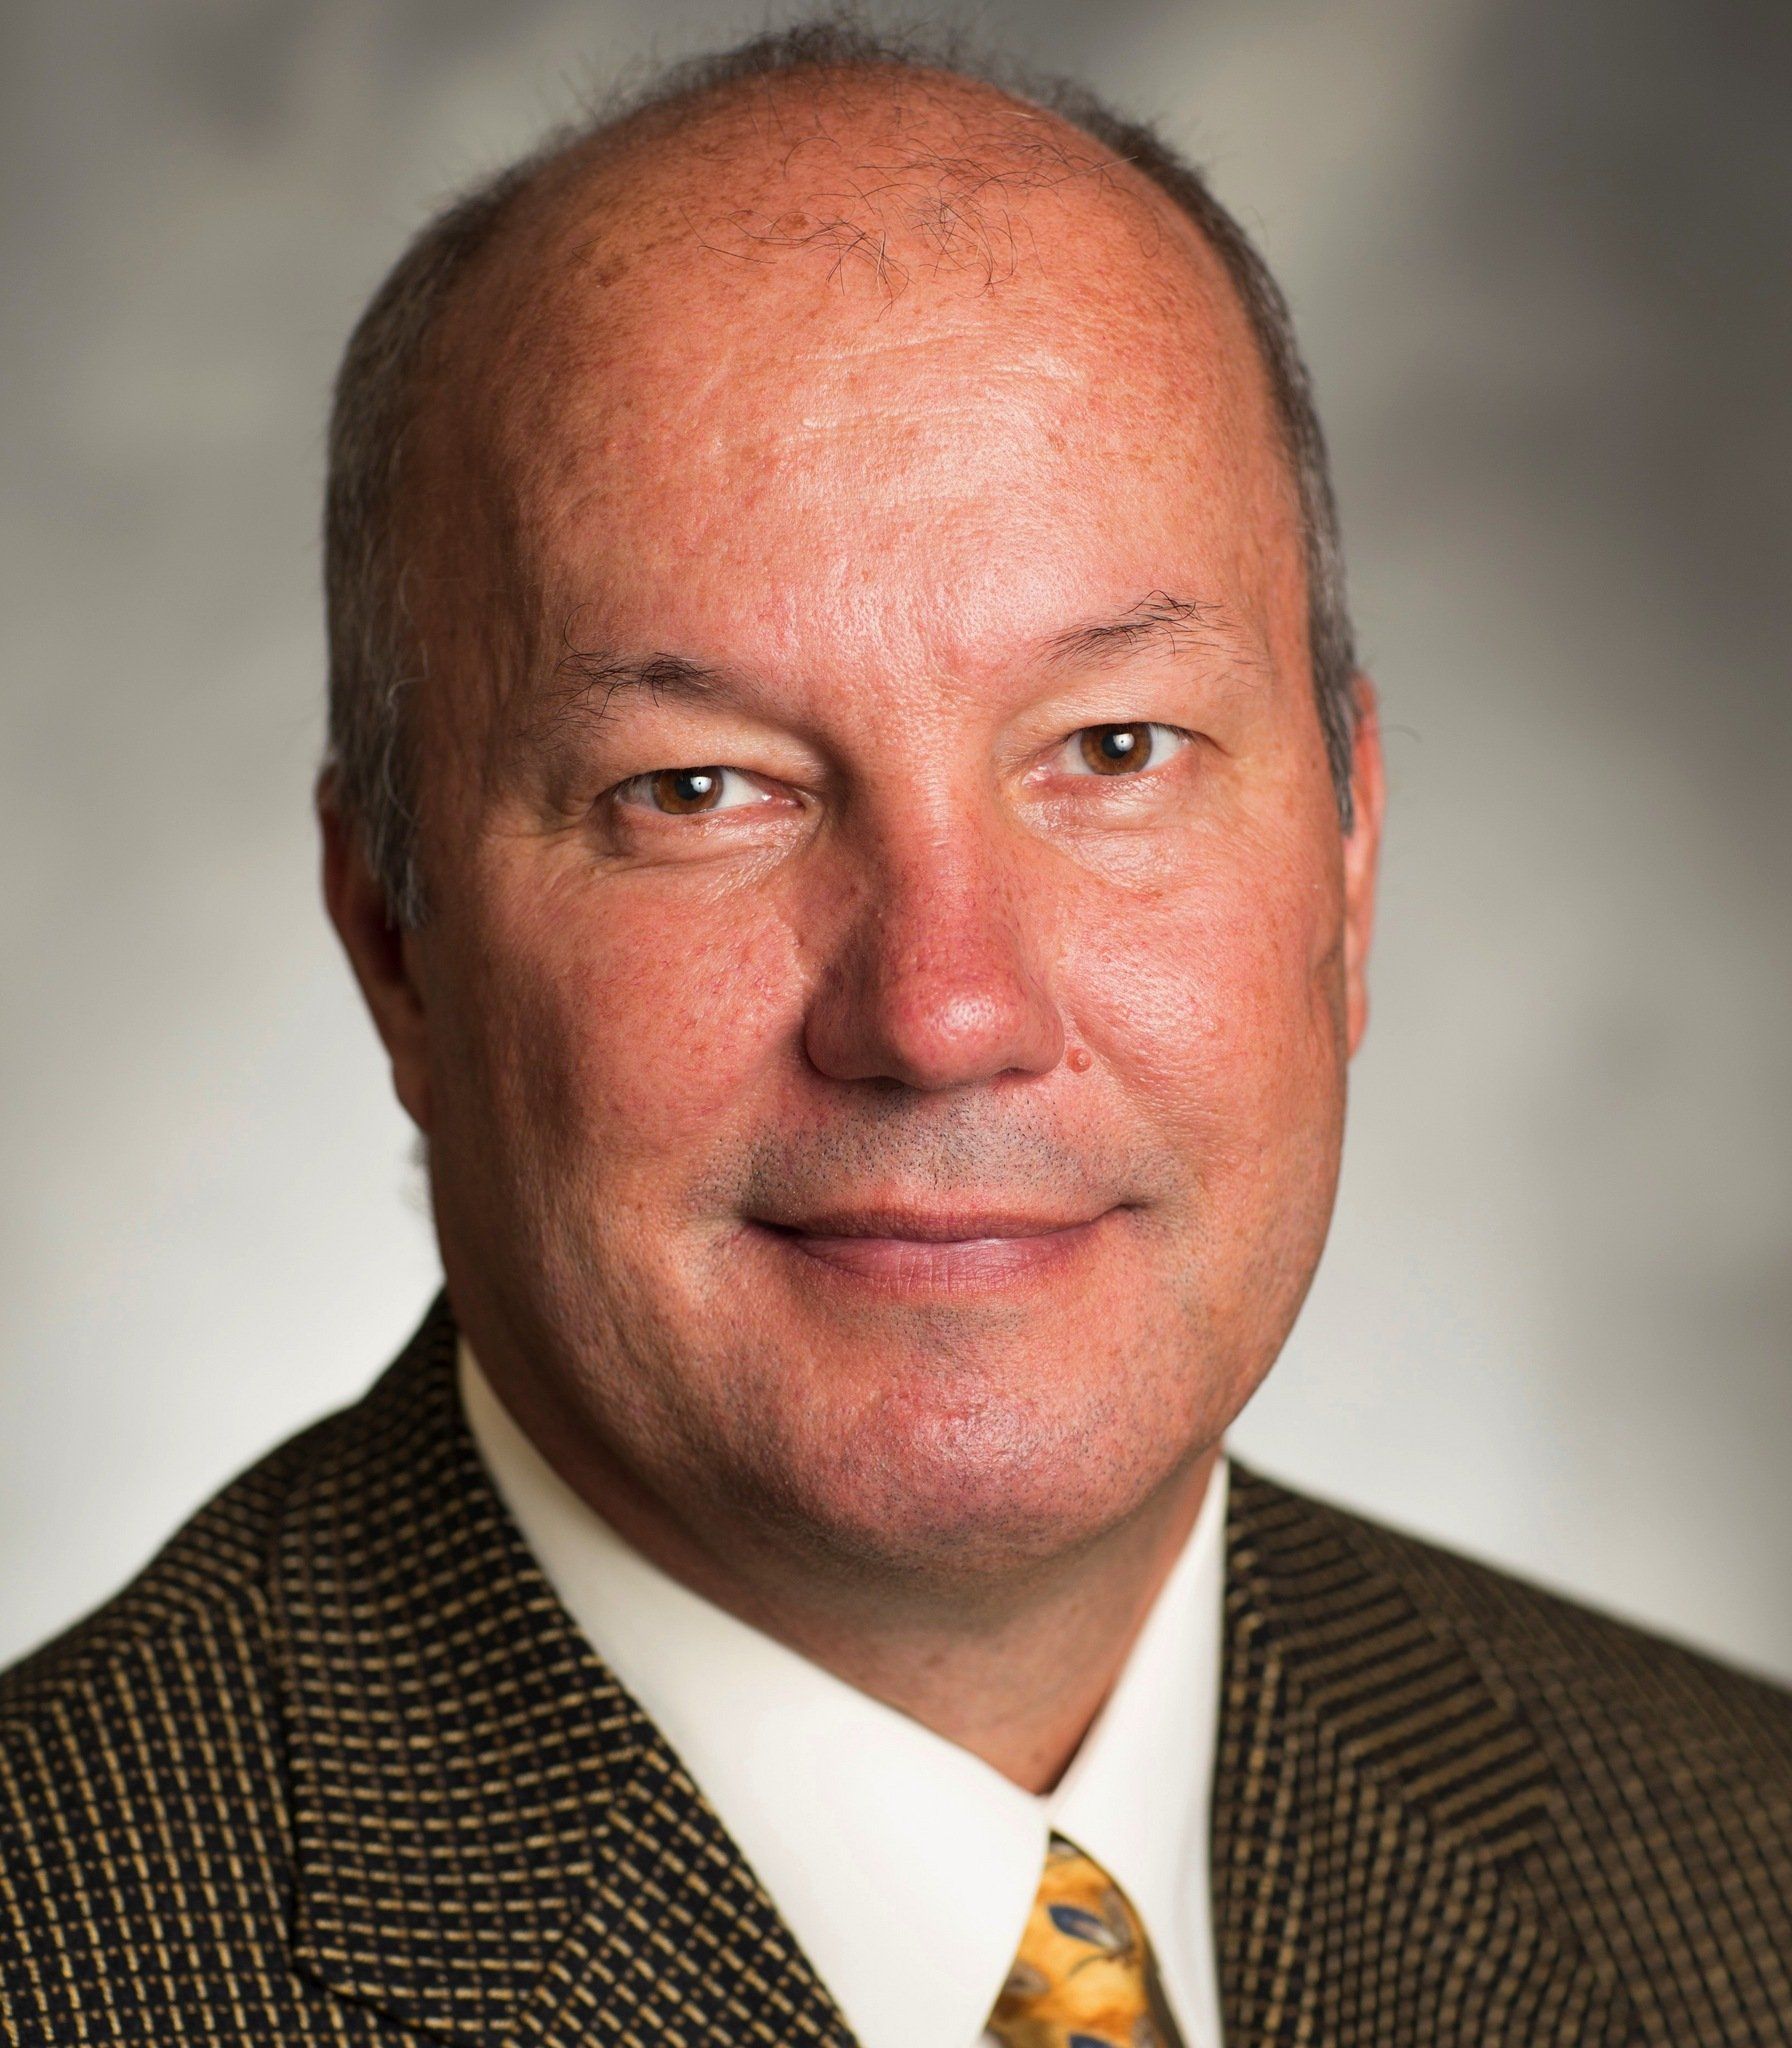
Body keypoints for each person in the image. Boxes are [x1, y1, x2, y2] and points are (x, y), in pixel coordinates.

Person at [3, 21, 1788, 2047]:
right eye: (697, 789)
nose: (943, 1012)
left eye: (1112, 750)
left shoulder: (1742, 1881)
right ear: (392, 939)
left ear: (1350, 858)